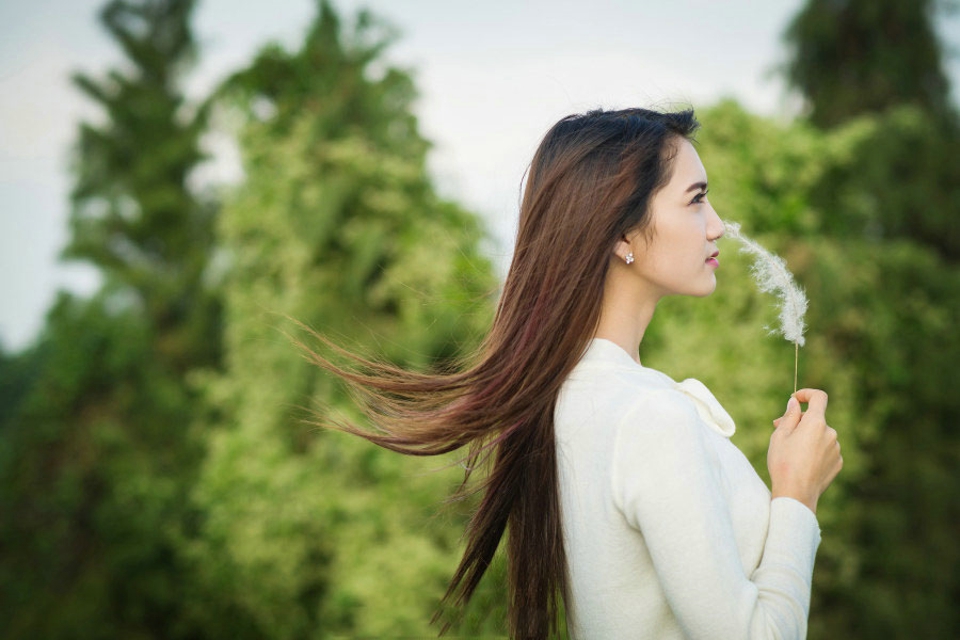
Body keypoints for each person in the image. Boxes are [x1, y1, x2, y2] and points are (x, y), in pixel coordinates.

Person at [308, 107, 842, 639]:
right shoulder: (649, 417)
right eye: (696, 199)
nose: (718, 225)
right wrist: (797, 494)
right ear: (623, 235)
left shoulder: (572, 397)